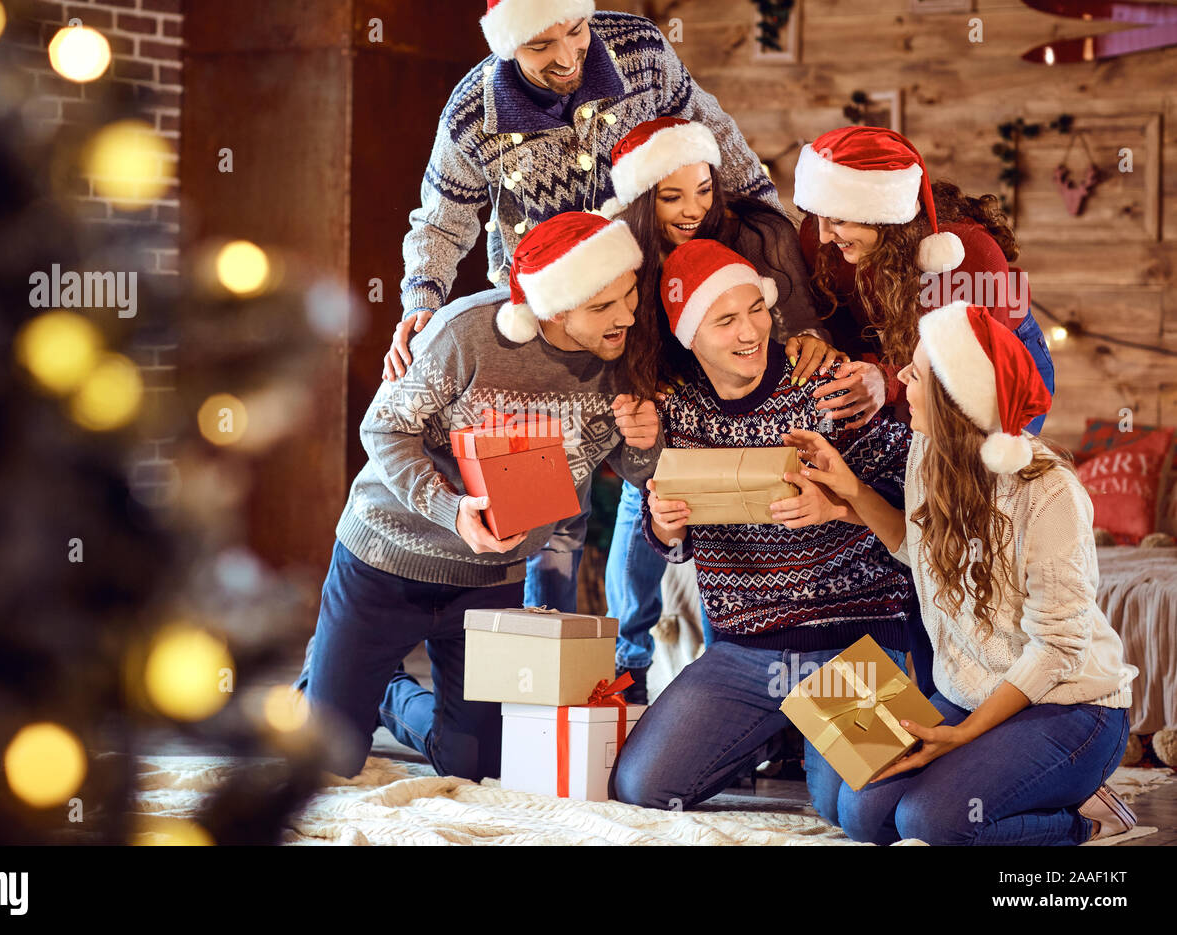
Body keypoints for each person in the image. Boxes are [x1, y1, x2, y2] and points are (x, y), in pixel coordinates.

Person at [385, 2, 780, 614]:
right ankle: (542, 647)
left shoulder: (642, 51)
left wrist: (769, 233)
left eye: (575, 32)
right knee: (545, 497)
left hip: (646, 307)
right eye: (542, 46)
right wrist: (421, 303)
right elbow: (440, 222)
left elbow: (716, 136)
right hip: (543, 325)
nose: (568, 57)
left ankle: (630, 657)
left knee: (647, 459)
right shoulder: (472, 113)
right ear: (507, 44)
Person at [295, 212, 661, 781]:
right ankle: (336, 672)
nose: (628, 316)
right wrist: (450, 509)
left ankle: (386, 688)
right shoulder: (468, 332)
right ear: (554, 309)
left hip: (491, 581)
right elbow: (382, 429)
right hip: (386, 562)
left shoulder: (626, 352)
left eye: (631, 294)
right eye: (604, 307)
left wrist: (644, 440)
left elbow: (642, 472)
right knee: (332, 760)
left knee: (477, 768)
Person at [788, 301, 1138, 845]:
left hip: (1069, 705)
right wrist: (849, 491)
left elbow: (1059, 646)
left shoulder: (1048, 492)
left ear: (957, 400)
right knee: (857, 813)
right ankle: (1012, 780)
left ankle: (1083, 820)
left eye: (918, 373)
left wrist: (966, 735)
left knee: (932, 821)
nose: (900, 376)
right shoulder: (928, 452)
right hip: (968, 693)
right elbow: (920, 551)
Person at [609, 239, 915, 810]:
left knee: (862, 813)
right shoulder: (672, 408)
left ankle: (801, 733)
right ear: (689, 336)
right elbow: (667, 536)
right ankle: (777, 729)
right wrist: (667, 528)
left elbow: (911, 507)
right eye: (725, 320)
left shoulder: (825, 385)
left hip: (849, 642)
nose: (750, 332)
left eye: (756, 310)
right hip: (746, 652)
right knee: (643, 788)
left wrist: (840, 505)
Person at [597, 117, 887, 702]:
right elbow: (620, 368)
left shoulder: (753, 235)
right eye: (670, 196)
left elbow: (798, 322)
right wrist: (647, 439)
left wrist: (804, 340)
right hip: (672, 409)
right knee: (657, 507)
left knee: (855, 792)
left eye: (703, 191)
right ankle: (632, 672)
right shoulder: (621, 261)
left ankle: (735, 663)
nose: (691, 211)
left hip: (743, 396)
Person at [793, 124, 1060, 697]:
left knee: (974, 508)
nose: (822, 233)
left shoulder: (967, 255)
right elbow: (842, 329)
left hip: (994, 362)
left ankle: (1000, 678)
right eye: (817, 216)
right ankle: (934, 686)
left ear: (885, 213)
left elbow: (971, 367)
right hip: (903, 372)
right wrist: (851, 363)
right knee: (916, 512)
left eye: (838, 218)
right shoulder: (826, 244)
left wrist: (886, 383)